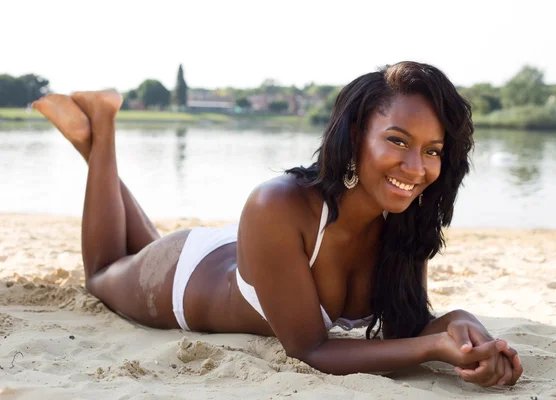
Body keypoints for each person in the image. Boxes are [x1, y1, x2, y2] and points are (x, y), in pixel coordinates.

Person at [32, 61, 523, 387]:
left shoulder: (402, 220)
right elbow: (310, 349)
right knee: (103, 273)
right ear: (356, 135)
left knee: (130, 252)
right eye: (397, 141)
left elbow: (409, 328)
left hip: (251, 256)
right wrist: (435, 348)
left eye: (432, 151)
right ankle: (101, 129)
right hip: (183, 275)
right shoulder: (277, 203)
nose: (416, 168)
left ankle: (93, 144)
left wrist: (464, 326)